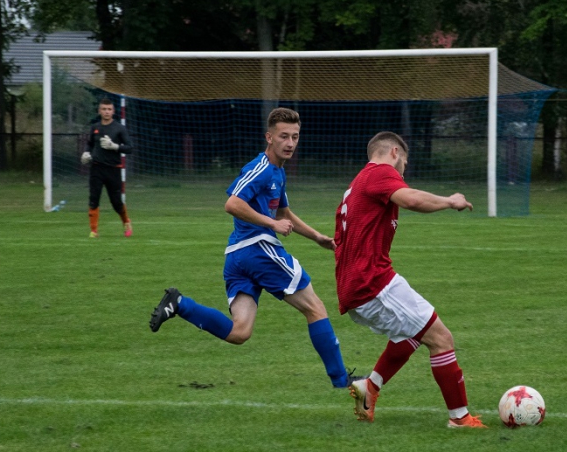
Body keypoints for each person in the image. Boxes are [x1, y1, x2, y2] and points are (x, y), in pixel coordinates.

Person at [149, 107, 356, 389]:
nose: (290, 143)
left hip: (238, 257)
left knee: (239, 332)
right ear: (268, 137)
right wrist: (270, 225)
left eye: (295, 136)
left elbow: (284, 213)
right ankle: (341, 380)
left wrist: (317, 237)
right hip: (258, 250)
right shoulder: (260, 168)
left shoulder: (278, 173)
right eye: (284, 136)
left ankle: (180, 304)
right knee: (316, 308)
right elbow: (232, 204)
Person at [334, 131, 487, 429]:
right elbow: (412, 199)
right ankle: (460, 418)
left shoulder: (355, 186)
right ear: (394, 152)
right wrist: (449, 200)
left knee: (415, 332)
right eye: (404, 161)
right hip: (374, 284)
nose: (403, 170)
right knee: (442, 339)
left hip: (359, 285)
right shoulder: (379, 174)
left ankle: (371, 387)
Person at [81, 98, 133, 238]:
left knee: (116, 202)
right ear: (99, 111)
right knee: (93, 199)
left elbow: (130, 148)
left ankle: (126, 222)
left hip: (113, 169)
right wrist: (86, 153)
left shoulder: (119, 128)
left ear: (113, 111)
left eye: (109, 109)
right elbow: (90, 143)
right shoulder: (95, 127)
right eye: (104, 109)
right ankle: (94, 231)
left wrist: (115, 146)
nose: (106, 112)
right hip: (97, 168)